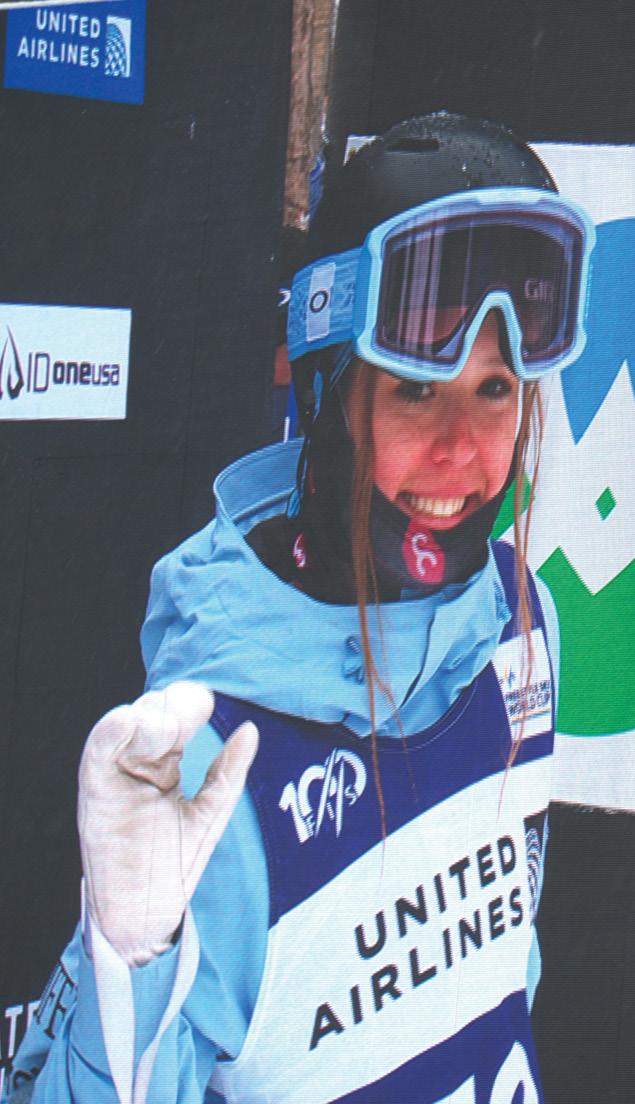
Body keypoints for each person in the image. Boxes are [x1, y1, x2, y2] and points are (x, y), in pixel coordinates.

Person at [7, 112, 595, 1104]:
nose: (460, 447)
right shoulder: (215, 755)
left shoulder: (519, 621)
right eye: (415, 391)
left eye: (494, 389)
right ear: (326, 397)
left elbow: (503, 974)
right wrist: (128, 966)